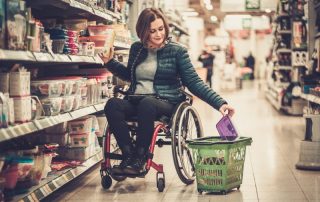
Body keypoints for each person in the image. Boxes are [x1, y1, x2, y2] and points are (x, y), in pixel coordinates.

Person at [99, 8, 235, 175]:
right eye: (152, 31)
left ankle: (140, 158)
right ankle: (128, 155)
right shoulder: (137, 49)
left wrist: (220, 103)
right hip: (137, 100)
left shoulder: (177, 51)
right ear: (143, 32)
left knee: (147, 103)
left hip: (166, 103)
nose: (158, 34)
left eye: (161, 29)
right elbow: (130, 75)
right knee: (112, 104)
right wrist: (109, 62)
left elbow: (194, 82)